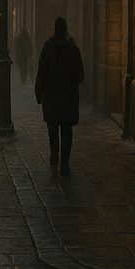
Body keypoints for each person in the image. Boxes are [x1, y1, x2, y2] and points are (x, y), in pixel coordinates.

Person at [35, 16, 84, 170]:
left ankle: (54, 154)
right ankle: (65, 161)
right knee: (67, 129)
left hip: (51, 95)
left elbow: (42, 72)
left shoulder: (48, 48)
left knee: (53, 127)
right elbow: (80, 74)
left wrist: (39, 91)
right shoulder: (72, 49)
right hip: (68, 96)